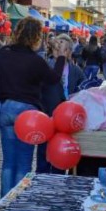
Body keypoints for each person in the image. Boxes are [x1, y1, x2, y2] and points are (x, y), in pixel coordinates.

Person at [0, 17, 69, 197]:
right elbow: (54, 79)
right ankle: (18, 201)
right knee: (24, 162)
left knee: (8, 162)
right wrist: (61, 59)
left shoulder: (3, 53)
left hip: (4, 108)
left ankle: (4, 202)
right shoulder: (35, 60)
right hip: (26, 112)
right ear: (35, 37)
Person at [37, 34, 85, 173]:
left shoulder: (76, 70)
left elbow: (83, 91)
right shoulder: (46, 66)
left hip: (66, 120)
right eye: (57, 48)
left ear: (69, 52)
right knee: (43, 156)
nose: (60, 52)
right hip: (48, 116)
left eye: (64, 49)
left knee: (61, 155)